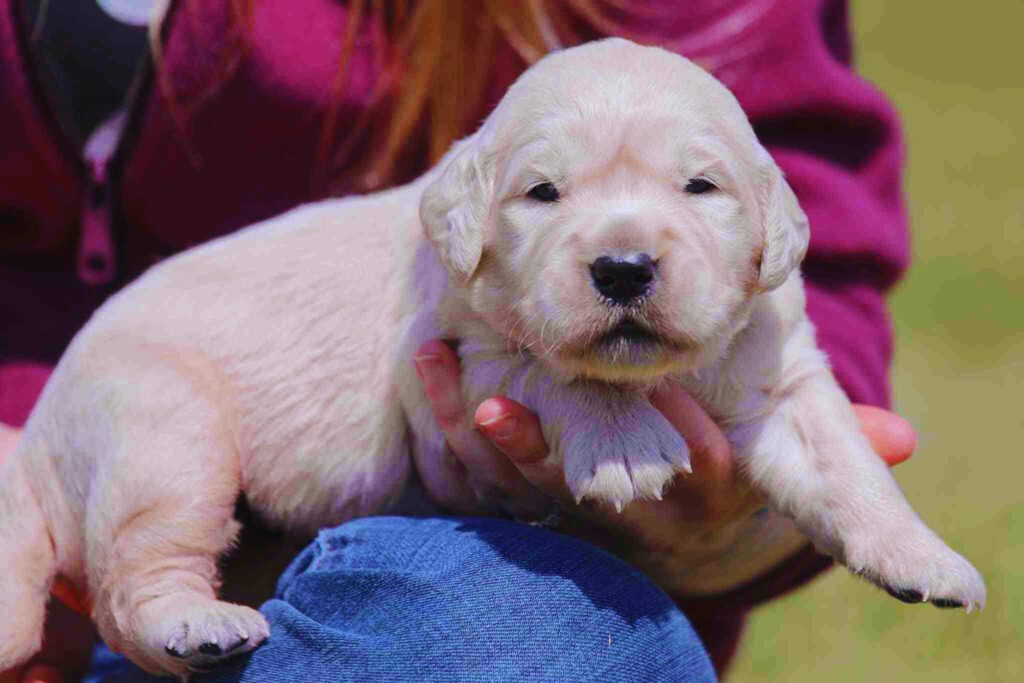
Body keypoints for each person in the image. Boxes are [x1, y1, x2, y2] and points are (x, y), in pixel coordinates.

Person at [0, 0, 915, 680]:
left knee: (540, 642)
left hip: (408, 577)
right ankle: (154, 595)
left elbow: (805, 250)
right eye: (547, 194)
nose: (625, 246)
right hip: (86, 479)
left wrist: (730, 516)